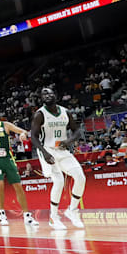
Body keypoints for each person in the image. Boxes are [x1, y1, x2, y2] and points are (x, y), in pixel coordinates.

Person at [31, 87, 86, 230]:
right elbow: (34, 136)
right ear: (41, 99)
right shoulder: (40, 114)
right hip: (47, 150)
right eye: (44, 94)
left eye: (49, 92)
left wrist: (69, 141)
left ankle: (72, 210)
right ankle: (53, 217)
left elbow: (77, 131)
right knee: (59, 181)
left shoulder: (65, 112)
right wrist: (44, 153)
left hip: (62, 149)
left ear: (55, 95)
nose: (47, 95)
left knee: (80, 177)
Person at [0, 107, 39, 226]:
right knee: (0, 183)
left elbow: (23, 131)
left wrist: (23, 134)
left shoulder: (6, 125)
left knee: (18, 185)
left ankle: (27, 216)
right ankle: (2, 214)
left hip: (8, 159)